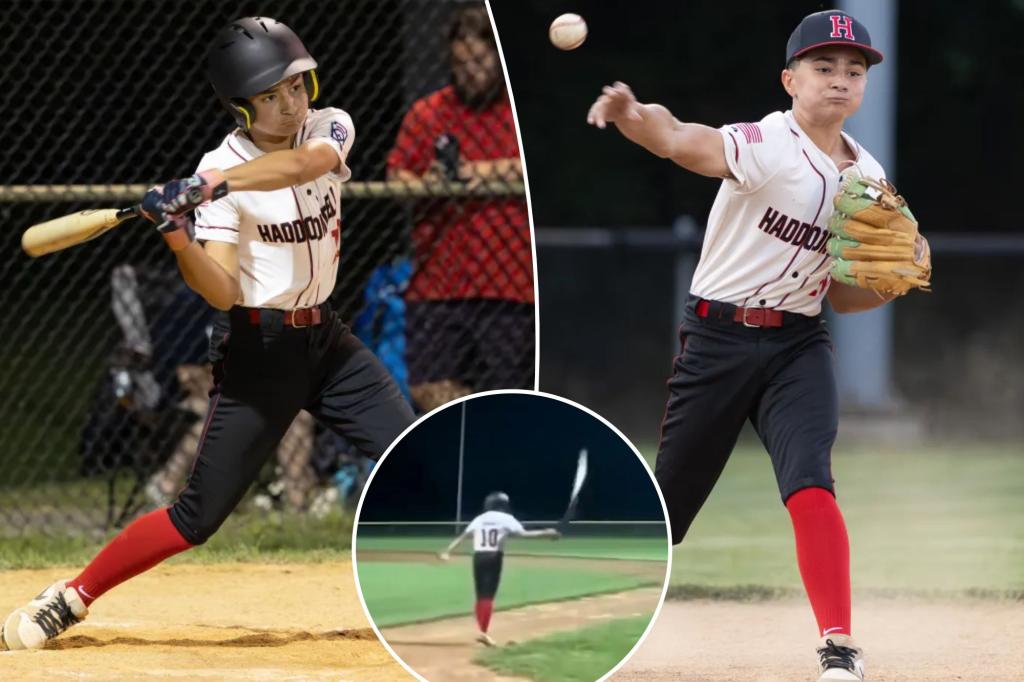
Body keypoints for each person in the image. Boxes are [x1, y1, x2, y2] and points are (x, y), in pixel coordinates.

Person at [2, 16, 414, 651]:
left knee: (417, 456)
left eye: (297, 86)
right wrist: (175, 230)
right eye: (271, 97)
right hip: (259, 355)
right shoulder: (218, 168)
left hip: (328, 344)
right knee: (197, 516)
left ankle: (473, 593)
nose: (290, 104)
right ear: (242, 109)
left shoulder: (327, 126)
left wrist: (215, 184)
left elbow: (309, 165)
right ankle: (71, 596)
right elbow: (219, 289)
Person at [586, 10, 927, 682]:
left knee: (810, 481)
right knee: (667, 510)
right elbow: (685, 140)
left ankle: (838, 645)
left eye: (853, 71)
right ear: (790, 79)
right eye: (824, 67)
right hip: (716, 341)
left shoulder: (869, 178)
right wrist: (632, 115)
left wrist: (897, 276)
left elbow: (847, 296)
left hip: (798, 346)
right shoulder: (769, 141)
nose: (840, 80)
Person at [387, 4, 534, 412]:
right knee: (427, 387)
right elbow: (397, 178)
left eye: (480, 60)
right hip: (439, 278)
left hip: (512, 284)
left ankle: (494, 438)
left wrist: (481, 171)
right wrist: (429, 183)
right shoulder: (429, 113)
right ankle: (481, 424)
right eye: (461, 62)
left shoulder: (515, 114)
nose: (471, 71)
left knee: (511, 393)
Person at [439, 491, 559, 646]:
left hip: (478, 557)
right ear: (504, 505)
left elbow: (463, 537)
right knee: (488, 596)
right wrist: (546, 533)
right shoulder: (506, 518)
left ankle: (482, 631)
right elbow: (523, 534)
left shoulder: (480, 518)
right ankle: (483, 633)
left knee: (481, 595)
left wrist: (447, 551)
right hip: (494, 557)